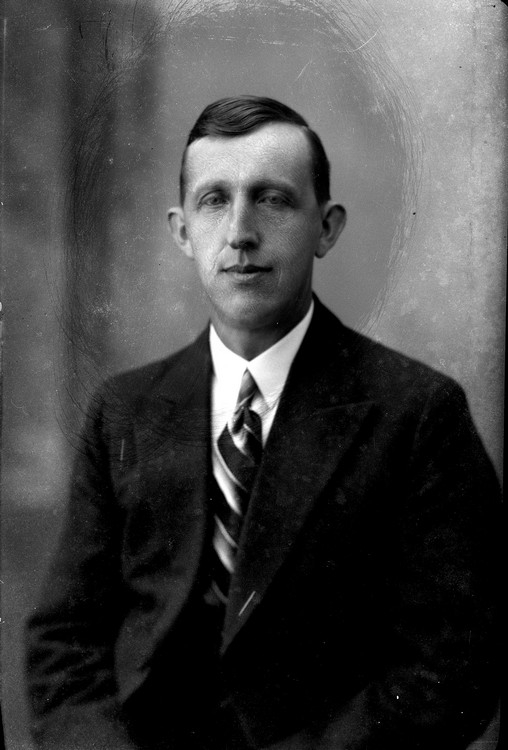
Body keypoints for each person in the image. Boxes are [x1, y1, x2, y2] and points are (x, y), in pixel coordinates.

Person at [26, 96, 501, 750]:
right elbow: (63, 645)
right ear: (182, 232)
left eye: (272, 200)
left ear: (326, 228)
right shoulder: (124, 412)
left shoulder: (416, 413)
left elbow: (455, 662)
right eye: (214, 201)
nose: (240, 233)